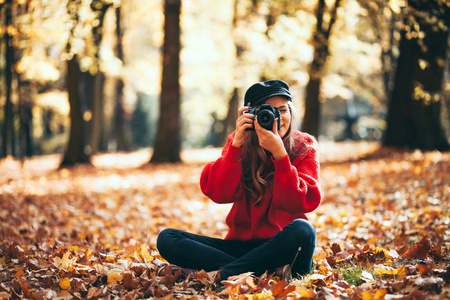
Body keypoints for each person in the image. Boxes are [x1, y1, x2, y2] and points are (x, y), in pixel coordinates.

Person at [157, 79, 321, 282]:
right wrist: (236, 145)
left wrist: (280, 155)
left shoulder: (304, 146)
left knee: (304, 230)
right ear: (250, 116)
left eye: (282, 110)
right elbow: (219, 193)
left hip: (283, 246)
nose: (276, 117)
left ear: (291, 112)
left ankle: (223, 274)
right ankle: (260, 272)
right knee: (168, 238)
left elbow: (299, 202)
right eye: (266, 111)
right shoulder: (240, 143)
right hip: (240, 248)